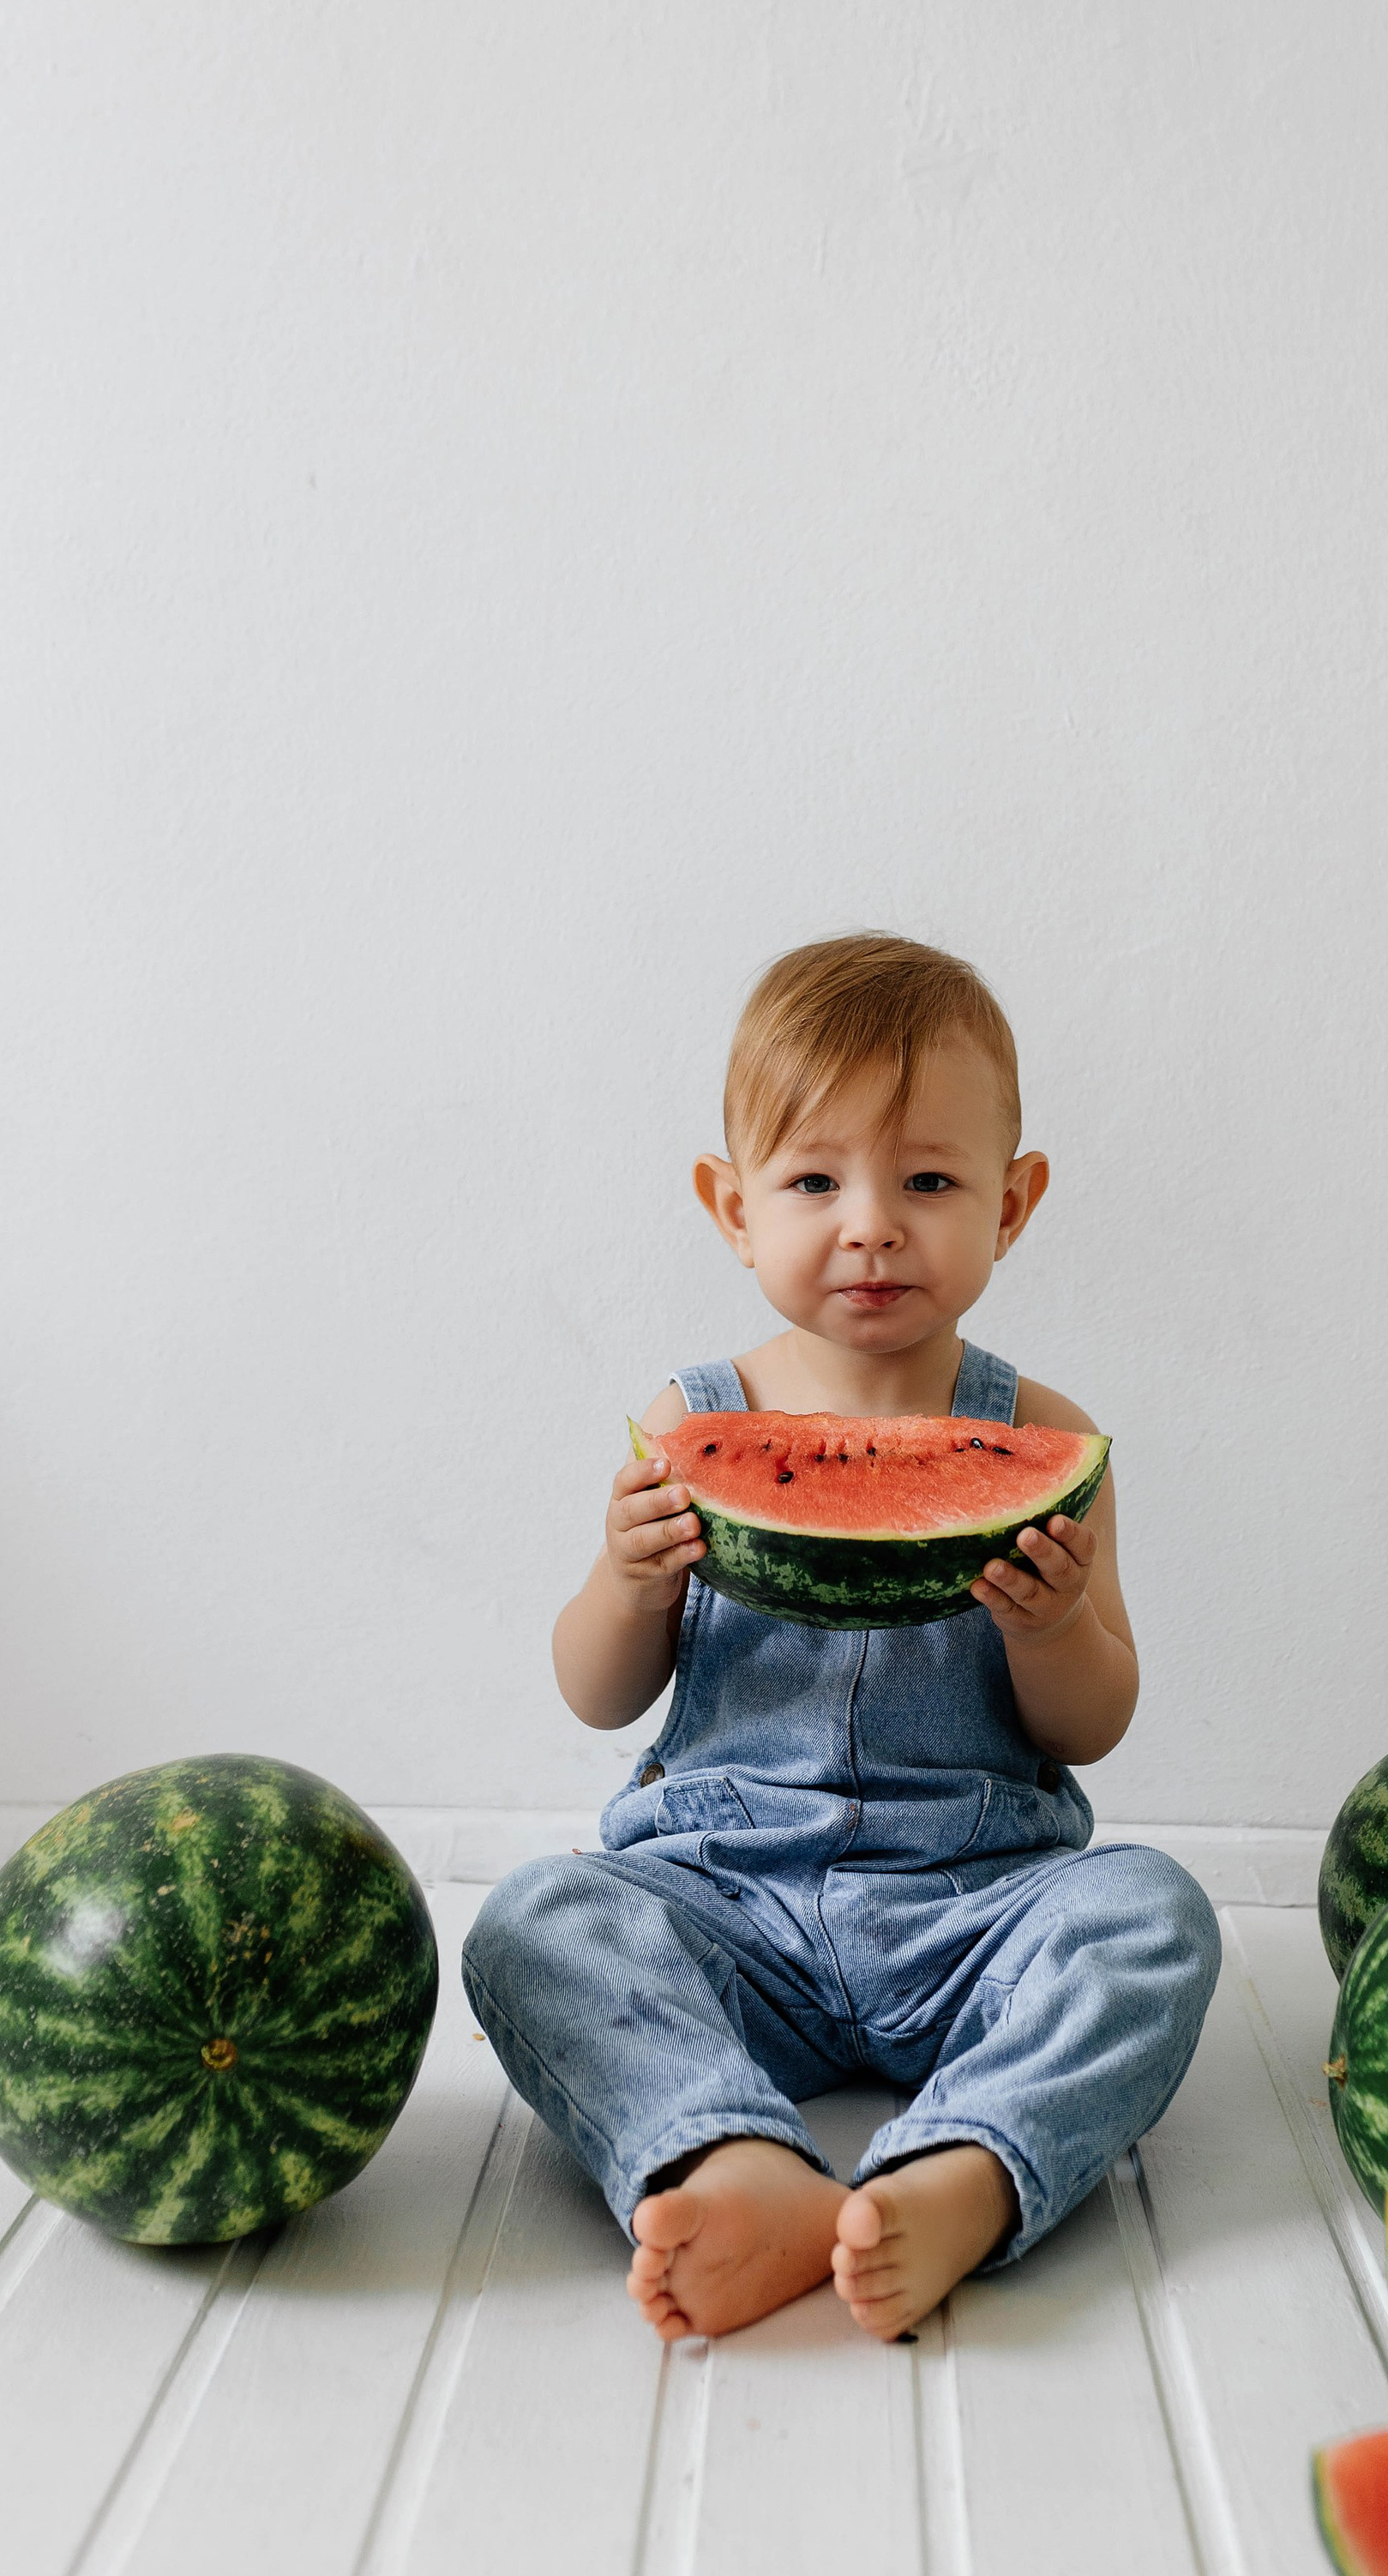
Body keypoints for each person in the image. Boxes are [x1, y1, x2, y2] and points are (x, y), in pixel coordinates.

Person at [462, 933, 1220, 2341]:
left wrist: (1055, 1626)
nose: (871, 1224)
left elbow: (1090, 1725)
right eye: (815, 1181)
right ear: (732, 1206)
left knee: (1152, 1914)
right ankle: (733, 2157)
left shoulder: (1045, 1436)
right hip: (724, 1903)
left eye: (928, 1181)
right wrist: (627, 1588)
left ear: (1014, 1202)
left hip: (978, 1904)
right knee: (534, 1925)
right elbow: (595, 1695)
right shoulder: (685, 1425)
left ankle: (965, 2173)